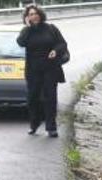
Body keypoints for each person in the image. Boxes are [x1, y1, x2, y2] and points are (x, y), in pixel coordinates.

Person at [16, 4, 67, 138]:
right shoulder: (26, 31)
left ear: (40, 14)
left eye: (35, 13)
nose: (34, 16)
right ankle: (34, 123)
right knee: (33, 98)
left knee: (50, 98)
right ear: (27, 17)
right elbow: (20, 42)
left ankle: (51, 127)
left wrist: (55, 51)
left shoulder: (51, 29)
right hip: (33, 70)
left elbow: (62, 44)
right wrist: (27, 27)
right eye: (31, 14)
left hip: (50, 68)